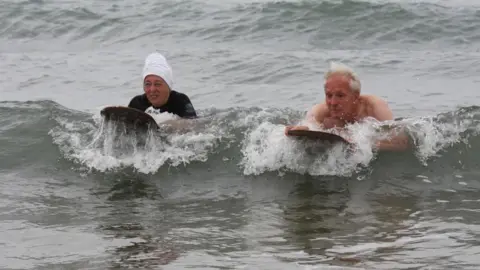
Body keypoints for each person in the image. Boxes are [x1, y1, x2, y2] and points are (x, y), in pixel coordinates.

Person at [285, 62, 409, 151]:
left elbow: (400, 142)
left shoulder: (374, 106)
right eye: (329, 95)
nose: (333, 102)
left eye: (340, 95)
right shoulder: (322, 110)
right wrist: (300, 130)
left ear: (355, 96)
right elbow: (309, 123)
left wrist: (362, 144)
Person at [128, 52, 197, 119]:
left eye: (157, 84)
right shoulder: (137, 104)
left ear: (168, 87)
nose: (152, 89)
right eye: (148, 84)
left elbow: (193, 125)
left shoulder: (180, 101)